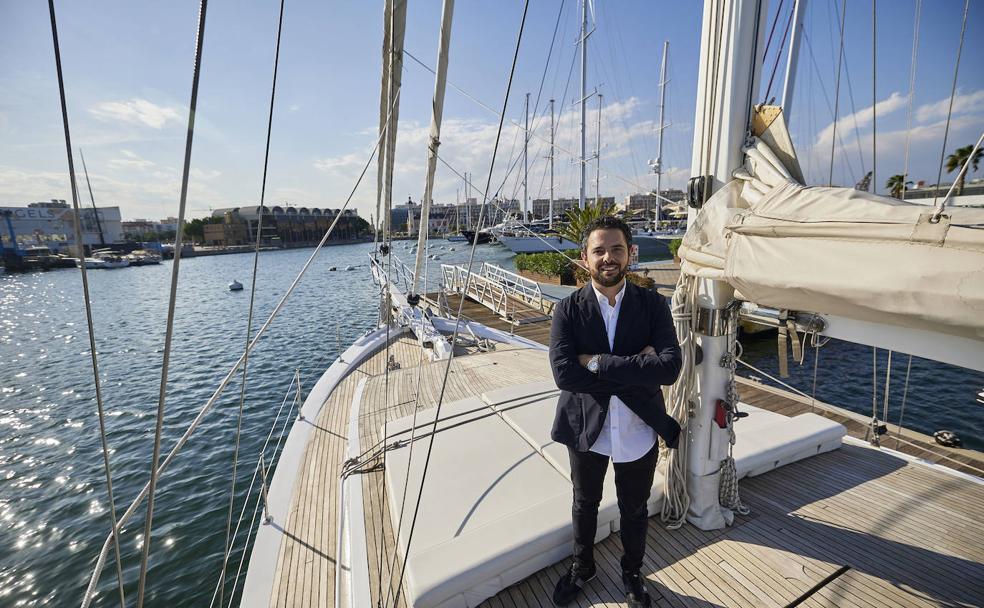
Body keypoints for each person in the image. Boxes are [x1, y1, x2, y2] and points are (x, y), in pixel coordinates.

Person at [548, 215, 682, 608]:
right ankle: (582, 565)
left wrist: (599, 363)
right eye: (599, 250)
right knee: (584, 503)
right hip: (587, 427)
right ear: (585, 258)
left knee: (635, 509)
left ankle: (632, 571)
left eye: (617, 249)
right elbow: (564, 374)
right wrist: (638, 367)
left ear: (630, 253)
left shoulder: (653, 306)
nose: (609, 257)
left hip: (639, 428)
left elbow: (670, 368)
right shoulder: (568, 311)